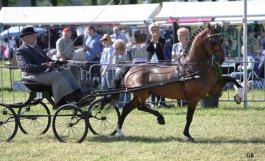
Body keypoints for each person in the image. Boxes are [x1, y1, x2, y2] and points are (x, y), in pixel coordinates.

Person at [16, 26, 86, 106]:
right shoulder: (22, 51)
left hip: (42, 74)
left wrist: (58, 62)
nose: (34, 37)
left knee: (66, 71)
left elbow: (48, 60)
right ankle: (64, 99)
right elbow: (27, 67)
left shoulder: (36, 47)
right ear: (25, 38)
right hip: (31, 77)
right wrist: (46, 65)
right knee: (56, 75)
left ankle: (79, 95)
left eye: (34, 35)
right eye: (32, 35)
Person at [146, 23, 173, 108]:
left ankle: (162, 102)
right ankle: (153, 102)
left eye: (156, 30)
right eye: (152, 30)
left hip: (160, 63)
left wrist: (156, 41)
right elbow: (148, 50)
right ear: (149, 31)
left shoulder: (162, 40)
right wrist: (152, 41)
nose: (154, 31)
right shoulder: (148, 40)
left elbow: (159, 50)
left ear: (158, 30)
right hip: (151, 64)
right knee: (152, 83)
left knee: (162, 82)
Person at [171, 27, 190, 107]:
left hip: (188, 69)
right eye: (178, 35)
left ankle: (186, 102)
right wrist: (181, 55)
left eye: (180, 35)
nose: (178, 37)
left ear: (186, 36)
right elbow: (173, 59)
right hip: (178, 68)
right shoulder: (175, 46)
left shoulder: (190, 46)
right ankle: (179, 102)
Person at [113, 39, 132, 108]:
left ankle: (128, 104)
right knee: (120, 89)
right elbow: (115, 64)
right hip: (118, 72)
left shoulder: (127, 52)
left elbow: (129, 64)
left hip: (126, 72)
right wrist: (116, 56)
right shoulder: (117, 53)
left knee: (127, 88)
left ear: (121, 47)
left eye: (117, 48)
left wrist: (126, 56)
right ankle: (120, 105)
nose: (115, 49)